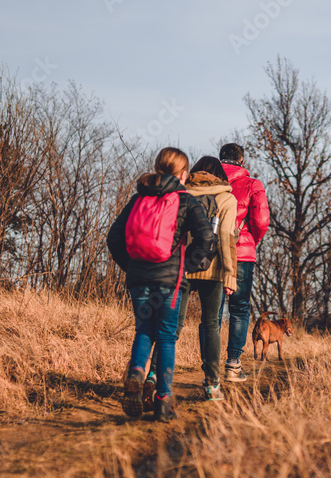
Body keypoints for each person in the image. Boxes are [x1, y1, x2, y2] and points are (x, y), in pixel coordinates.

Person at [106, 147, 215, 422]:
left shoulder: (137, 198)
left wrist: (130, 266)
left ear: (157, 167)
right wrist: (187, 266)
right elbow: (207, 240)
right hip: (170, 281)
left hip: (139, 278)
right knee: (166, 336)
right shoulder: (186, 200)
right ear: (183, 174)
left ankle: (136, 373)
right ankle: (164, 400)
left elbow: (113, 238)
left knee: (144, 330)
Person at [143, 156, 238, 403]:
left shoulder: (181, 194)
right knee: (210, 325)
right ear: (220, 175)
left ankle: (153, 374)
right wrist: (230, 274)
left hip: (181, 266)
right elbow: (227, 236)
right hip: (213, 268)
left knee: (172, 326)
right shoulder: (227, 198)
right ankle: (212, 385)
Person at [218, 143, 270, 382]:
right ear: (241, 161)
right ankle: (233, 365)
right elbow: (261, 221)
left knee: (213, 312)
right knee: (239, 309)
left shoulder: (208, 183)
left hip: (211, 253)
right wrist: (250, 242)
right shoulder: (252, 185)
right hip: (242, 255)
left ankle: (209, 366)